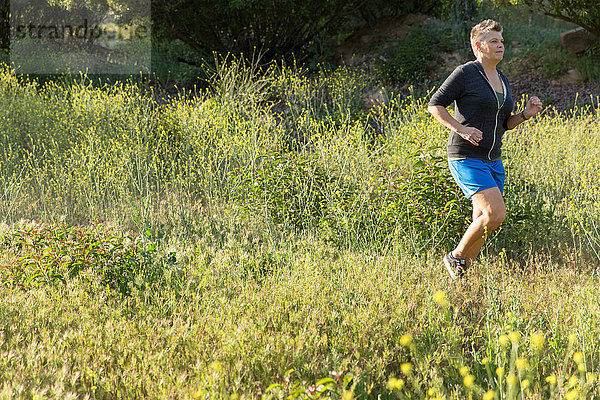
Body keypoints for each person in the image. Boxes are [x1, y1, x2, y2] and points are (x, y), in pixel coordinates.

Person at [427, 19, 543, 279]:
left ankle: (461, 277)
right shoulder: (465, 73)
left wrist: (525, 114)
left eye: (501, 41)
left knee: (484, 224)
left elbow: (505, 123)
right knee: (495, 214)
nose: (500, 45)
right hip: (467, 157)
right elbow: (435, 105)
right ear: (478, 46)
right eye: (494, 41)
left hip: (493, 159)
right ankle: (455, 257)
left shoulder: (502, 78)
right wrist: (461, 128)